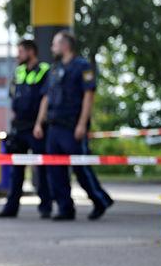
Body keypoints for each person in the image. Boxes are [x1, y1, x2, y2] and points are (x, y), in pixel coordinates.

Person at [33, 31, 114, 221]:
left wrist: (82, 124)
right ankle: (65, 208)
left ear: (65, 45)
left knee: (81, 168)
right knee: (55, 171)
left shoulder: (82, 67)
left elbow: (88, 95)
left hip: (71, 126)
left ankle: (100, 200)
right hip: (53, 127)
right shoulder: (54, 69)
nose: (52, 48)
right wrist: (39, 122)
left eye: (55, 44)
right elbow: (46, 97)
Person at [0, 38, 53, 219]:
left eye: (20, 52)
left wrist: (39, 124)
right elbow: (14, 96)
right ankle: (11, 208)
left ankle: (45, 207)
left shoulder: (44, 70)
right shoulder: (18, 71)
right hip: (19, 125)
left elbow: (46, 98)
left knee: (41, 169)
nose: (18, 55)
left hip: (35, 127)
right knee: (15, 170)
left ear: (31, 52)